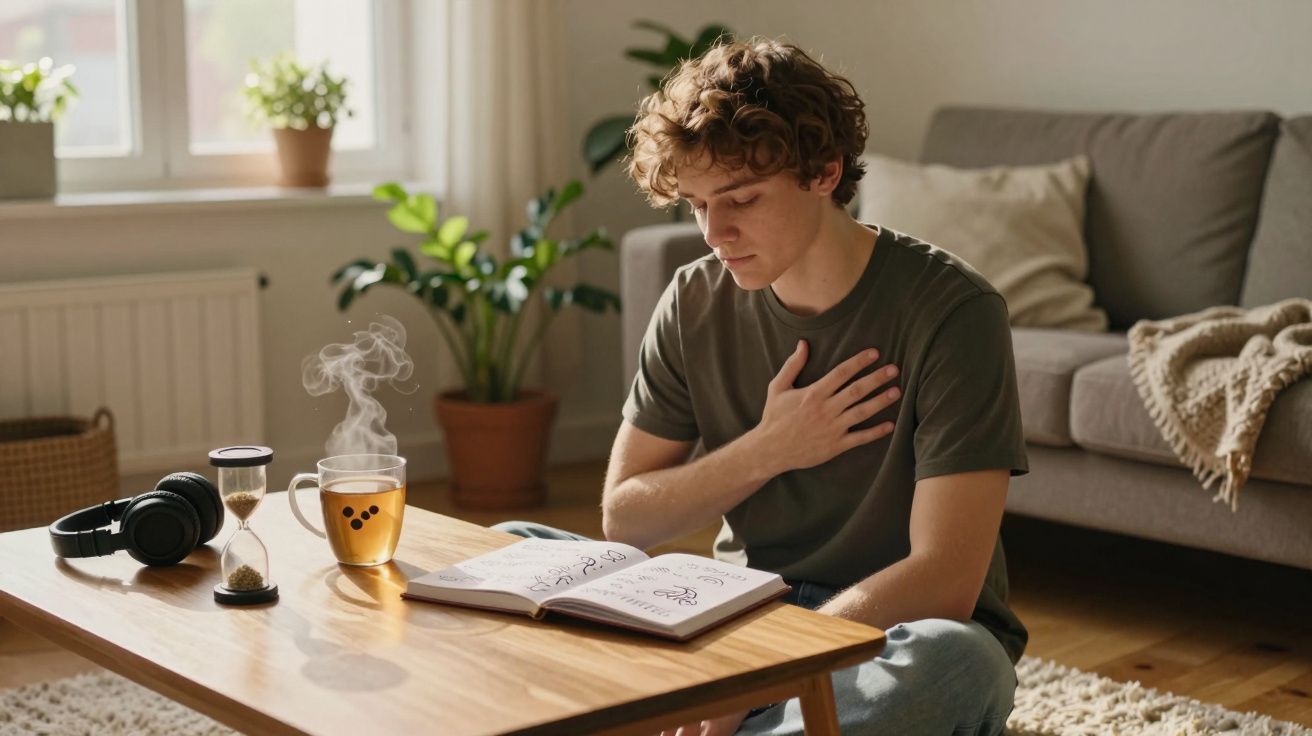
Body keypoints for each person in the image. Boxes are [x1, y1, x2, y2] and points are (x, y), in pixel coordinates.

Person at [495, 36, 1027, 736]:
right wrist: (771, 448)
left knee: (956, 664)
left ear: (825, 173)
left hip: (879, 632)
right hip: (733, 610)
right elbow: (626, 517)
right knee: (508, 551)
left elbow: (946, 579)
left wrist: (759, 672)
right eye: (696, 204)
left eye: (741, 198)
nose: (715, 232)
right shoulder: (694, 300)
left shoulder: (954, 312)